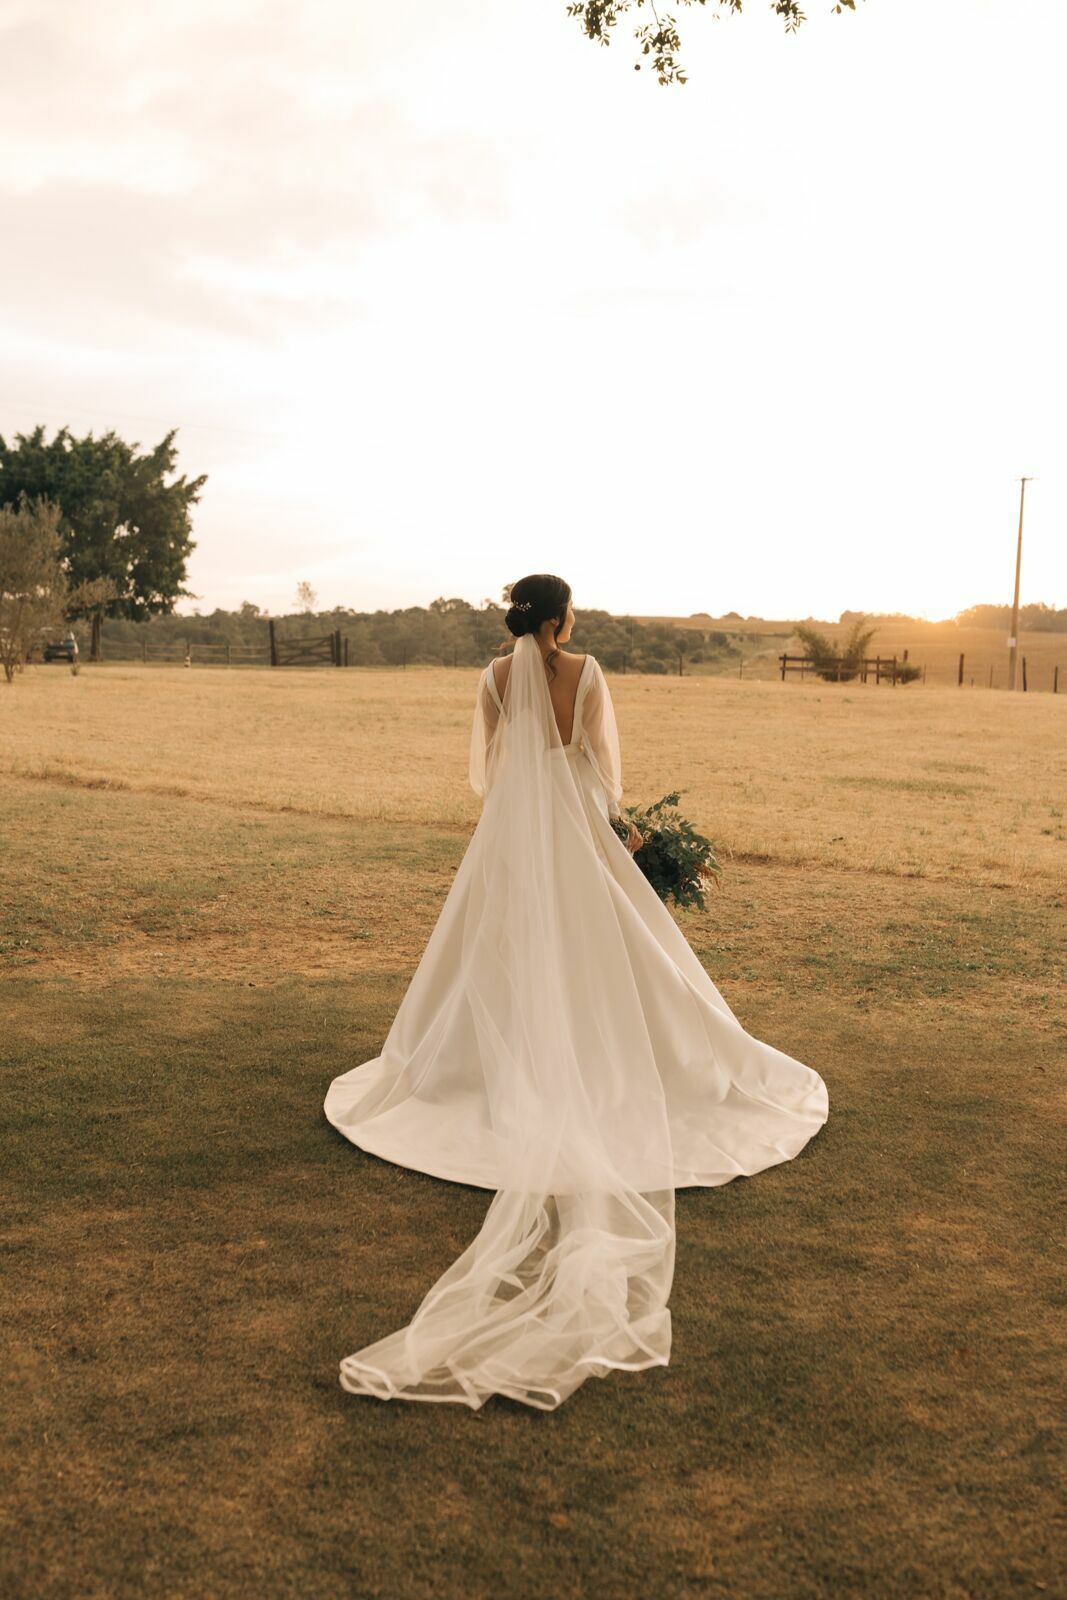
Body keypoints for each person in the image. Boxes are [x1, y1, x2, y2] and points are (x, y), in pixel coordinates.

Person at [323, 573, 829, 1410]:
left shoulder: (490, 678)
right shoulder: (586, 671)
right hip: (573, 820)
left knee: (503, 946)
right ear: (562, 619)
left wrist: (527, 797)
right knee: (612, 947)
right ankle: (618, 1053)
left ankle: (484, 1065)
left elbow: (487, 771)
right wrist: (616, 823)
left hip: (515, 824)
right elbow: (598, 763)